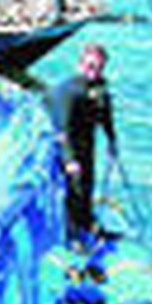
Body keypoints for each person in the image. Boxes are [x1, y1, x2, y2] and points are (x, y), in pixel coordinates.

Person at [48, 43, 119, 244]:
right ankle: (72, 235)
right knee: (74, 189)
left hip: (87, 143)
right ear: (80, 65)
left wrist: (112, 140)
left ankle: (87, 225)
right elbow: (61, 129)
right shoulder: (68, 90)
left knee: (88, 184)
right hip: (67, 144)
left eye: (98, 68)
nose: (94, 73)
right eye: (90, 66)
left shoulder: (99, 87)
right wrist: (69, 159)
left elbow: (105, 113)